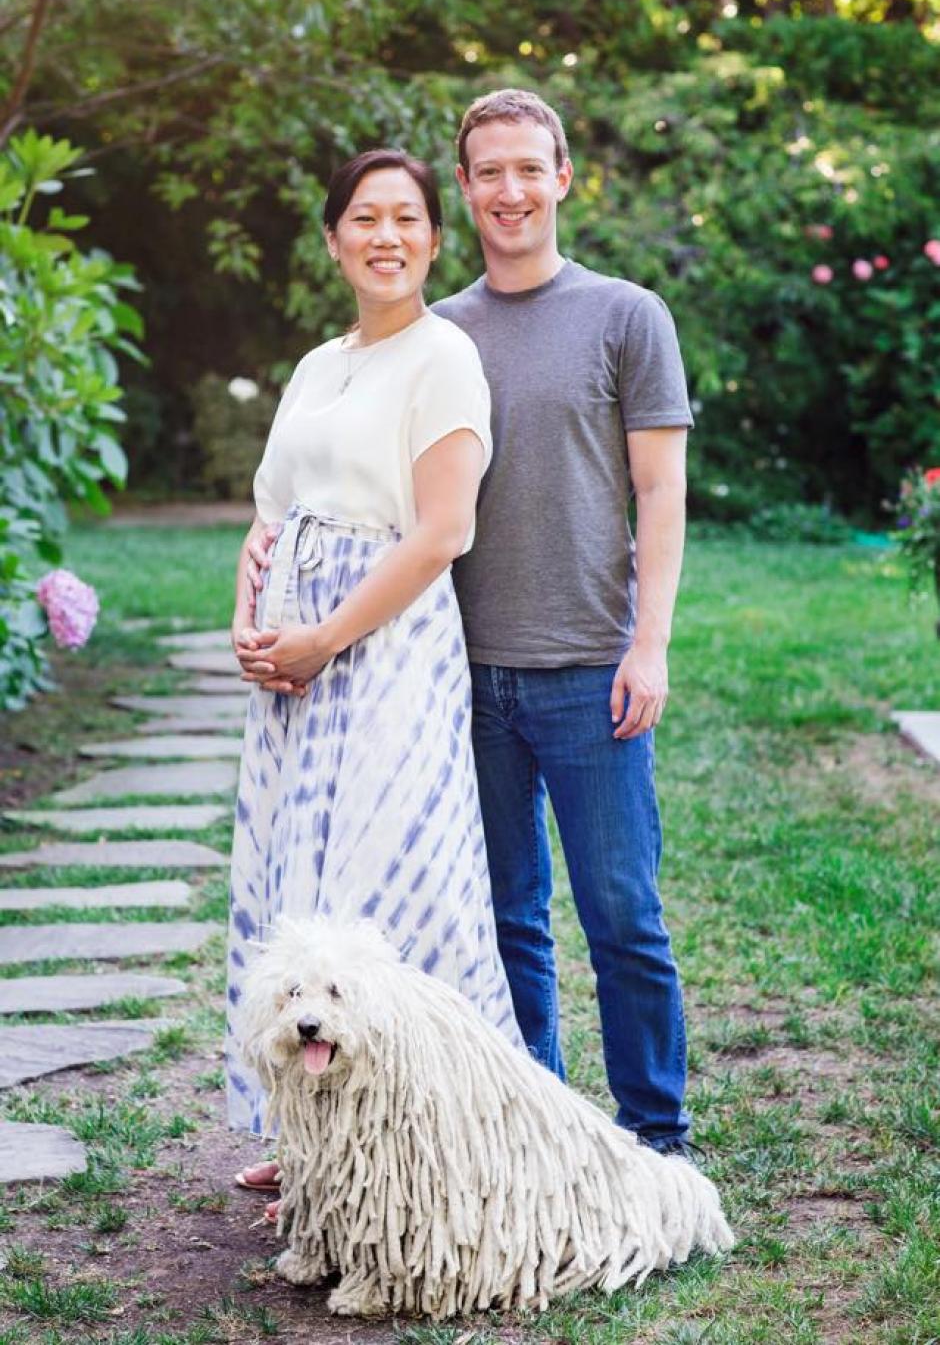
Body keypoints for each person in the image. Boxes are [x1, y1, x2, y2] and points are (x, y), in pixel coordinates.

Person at [248, 90, 694, 1155]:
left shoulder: (626, 316)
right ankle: (529, 1122)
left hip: (590, 665)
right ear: (465, 188)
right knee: (502, 925)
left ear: (563, 177)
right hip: (457, 673)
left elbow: (661, 491)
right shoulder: (433, 331)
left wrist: (650, 641)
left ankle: (656, 1130)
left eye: (527, 169)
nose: (509, 189)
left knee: (623, 915)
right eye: (487, 171)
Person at [226, 148, 523, 1219]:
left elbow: (445, 529)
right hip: (292, 660)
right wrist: (249, 620)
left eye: (406, 217)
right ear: (335, 237)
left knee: (391, 879)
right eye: (364, 217)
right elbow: (270, 513)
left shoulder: (443, 357)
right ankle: (312, 1144)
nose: (385, 234)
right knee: (296, 886)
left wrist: (326, 638)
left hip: (384, 650)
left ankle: (435, 1144)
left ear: (435, 240)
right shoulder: (316, 364)